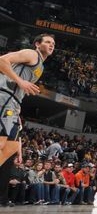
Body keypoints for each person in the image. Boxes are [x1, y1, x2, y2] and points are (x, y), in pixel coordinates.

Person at [0, 34, 55, 201]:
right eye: (47, 42)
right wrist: (20, 81)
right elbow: (2, 60)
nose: (51, 45)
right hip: (5, 97)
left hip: (14, 104)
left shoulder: (41, 67)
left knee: (12, 146)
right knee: (1, 143)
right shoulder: (32, 54)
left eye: (53, 43)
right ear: (37, 44)